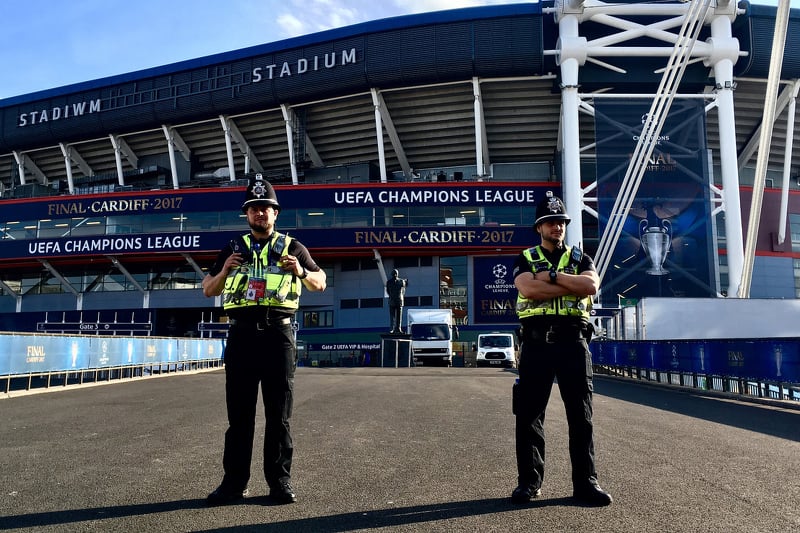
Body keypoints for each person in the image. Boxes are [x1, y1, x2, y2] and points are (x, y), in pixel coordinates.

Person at [202, 175, 326, 506]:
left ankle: (279, 482)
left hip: (278, 334)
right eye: (255, 209)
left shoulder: (293, 247)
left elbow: (321, 282)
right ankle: (233, 484)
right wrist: (224, 271)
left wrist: (301, 271)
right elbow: (207, 288)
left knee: (278, 414)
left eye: (266, 209)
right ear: (247, 214)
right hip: (242, 334)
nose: (260, 214)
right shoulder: (232, 247)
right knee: (239, 416)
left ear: (276, 213)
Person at [510, 191, 612, 506]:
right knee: (529, 416)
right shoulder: (525, 258)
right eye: (550, 222)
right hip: (537, 344)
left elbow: (591, 286)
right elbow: (527, 287)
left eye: (561, 222)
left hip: (574, 342)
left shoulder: (582, 257)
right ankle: (529, 483)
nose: (557, 227)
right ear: (539, 228)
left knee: (581, 416)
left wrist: (552, 277)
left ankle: (586, 485)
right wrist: (569, 283)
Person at [386, 269, 407, 333]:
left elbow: (403, 291)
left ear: (397, 274)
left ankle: (398, 328)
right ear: (392, 274)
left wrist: (400, 297)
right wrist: (392, 296)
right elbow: (388, 291)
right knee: (392, 316)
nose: (395, 274)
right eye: (394, 273)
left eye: (396, 273)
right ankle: (392, 328)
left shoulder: (402, 281)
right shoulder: (389, 282)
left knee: (399, 316)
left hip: (399, 300)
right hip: (392, 300)